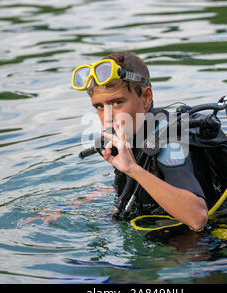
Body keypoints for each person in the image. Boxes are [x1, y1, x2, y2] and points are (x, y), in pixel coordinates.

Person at [72, 51, 208, 231]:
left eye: (117, 102)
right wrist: (68, 208)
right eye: (99, 106)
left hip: (220, 238)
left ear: (145, 98)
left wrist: (132, 169)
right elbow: (125, 188)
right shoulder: (130, 135)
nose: (107, 118)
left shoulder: (169, 139)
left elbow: (198, 218)